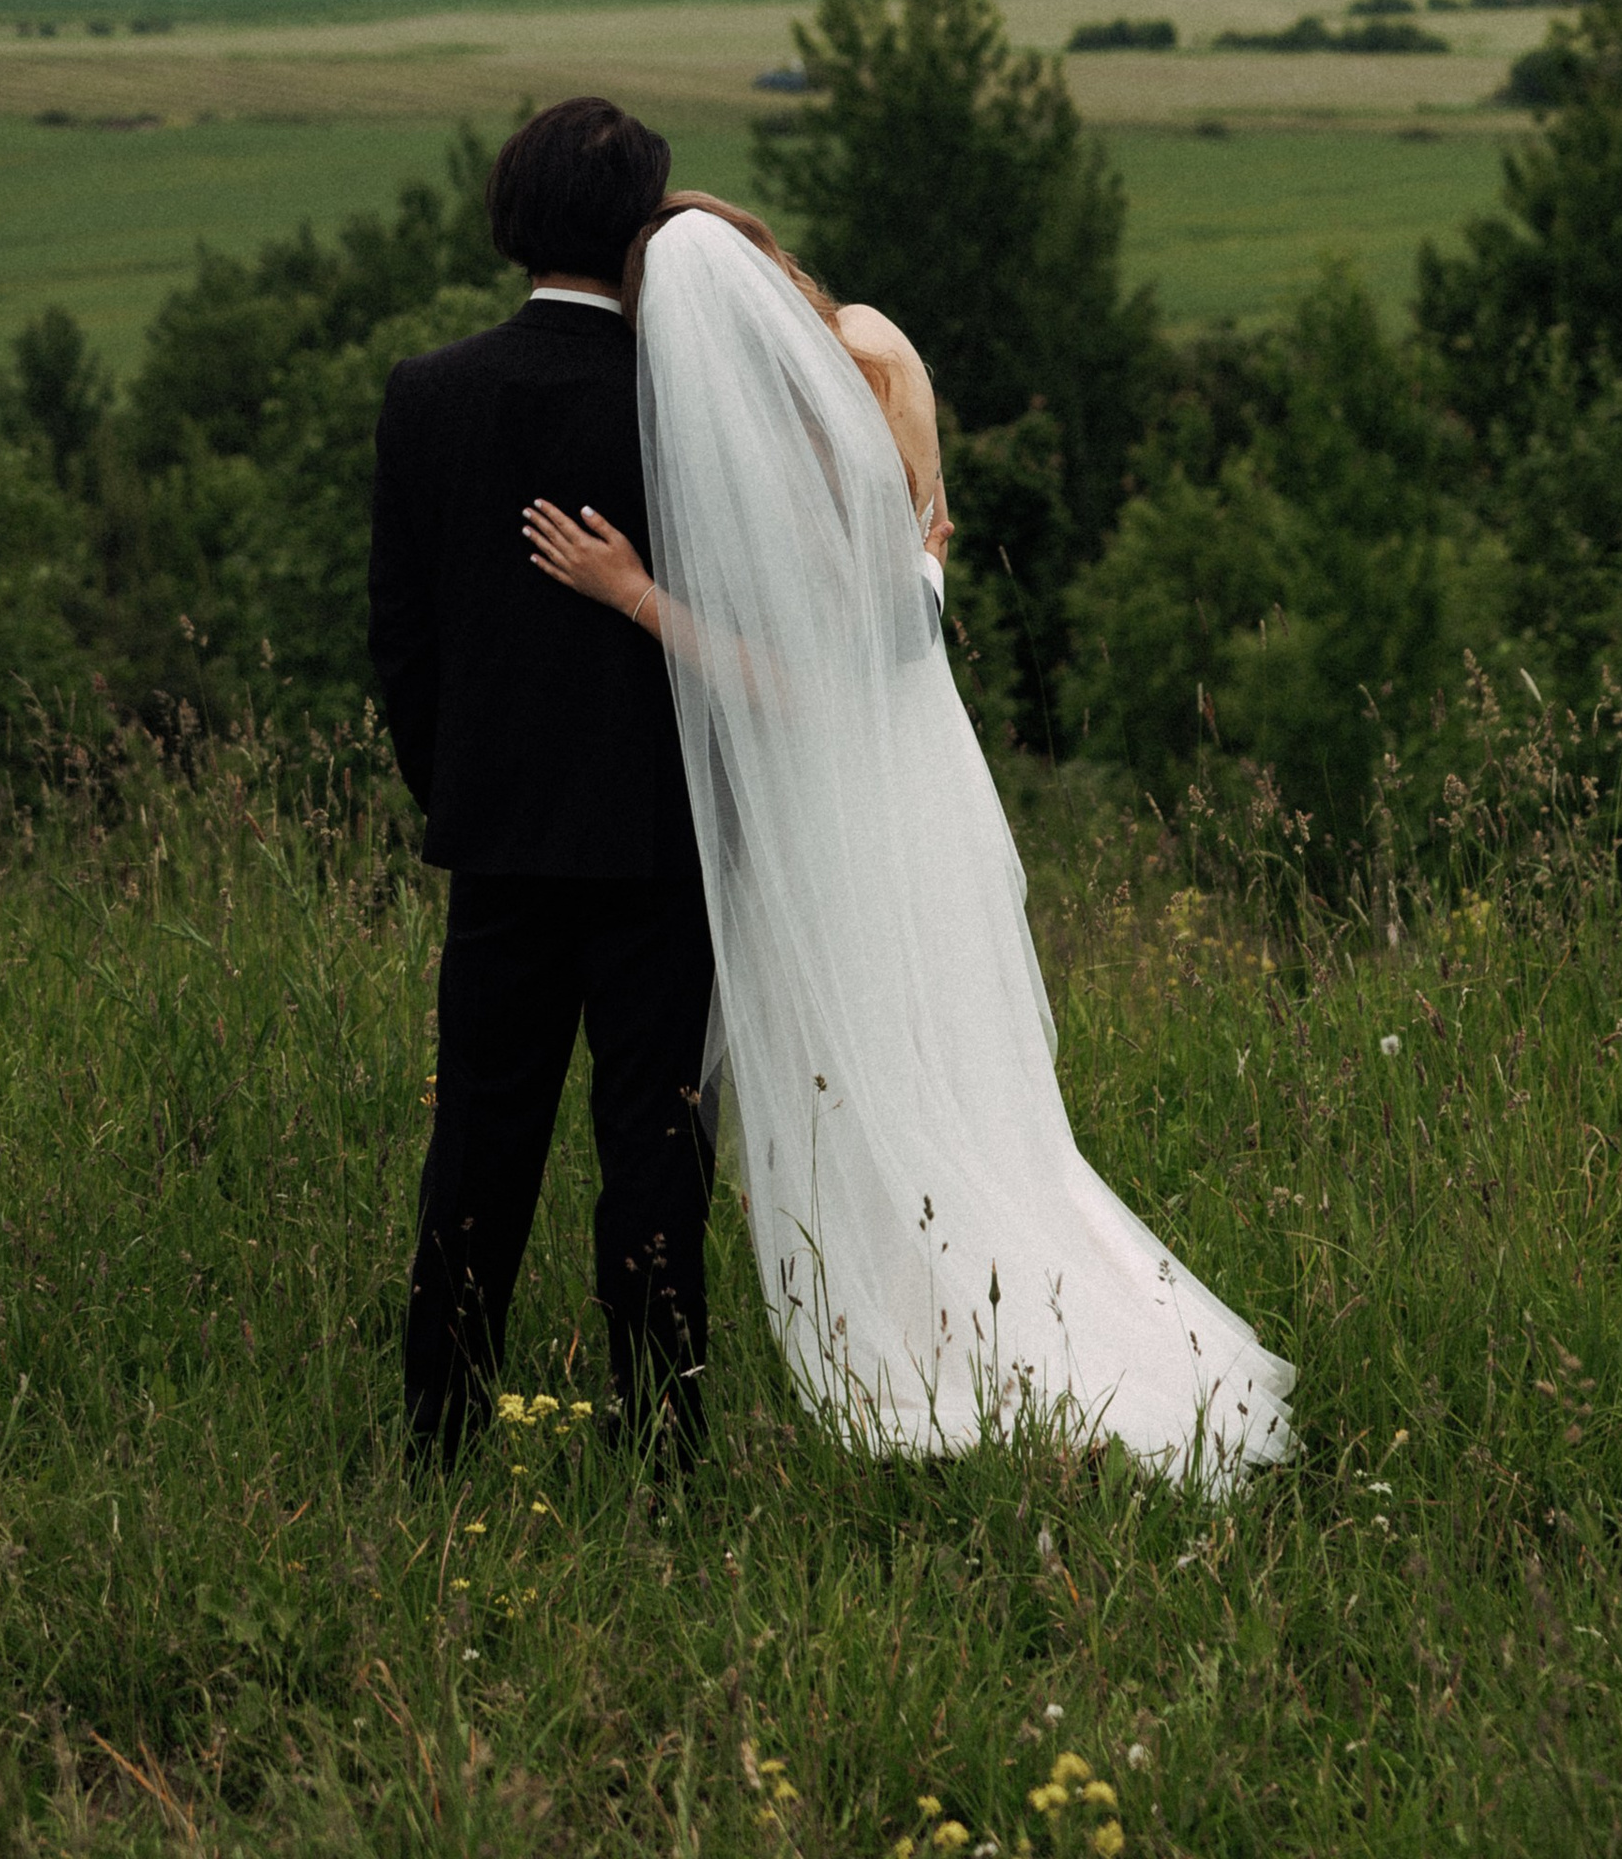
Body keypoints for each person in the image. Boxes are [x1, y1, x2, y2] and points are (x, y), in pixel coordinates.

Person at [523, 197, 1294, 1485]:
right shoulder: (873, 354)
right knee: (921, 1074)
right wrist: (925, 580)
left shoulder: (747, 439)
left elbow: (799, 676)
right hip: (906, 784)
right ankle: (975, 1308)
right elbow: (909, 593)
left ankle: (935, 1344)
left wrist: (636, 594)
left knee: (848, 1083)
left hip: (820, 801)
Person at [367, 96, 713, 1465]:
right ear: (644, 228)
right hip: (658, 842)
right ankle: (665, 1430)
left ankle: (440, 1423)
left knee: (482, 1141)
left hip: (499, 835)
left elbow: (403, 635)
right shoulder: (683, 407)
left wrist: (457, 785)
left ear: (514, 216)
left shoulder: (430, 392)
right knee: (654, 1145)